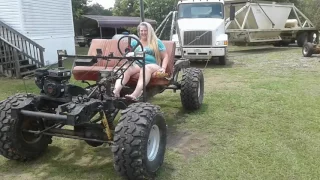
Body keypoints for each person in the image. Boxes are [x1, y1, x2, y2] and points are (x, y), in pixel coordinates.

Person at [112, 22, 169, 100]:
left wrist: (163, 68)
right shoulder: (135, 42)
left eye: (145, 30)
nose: (143, 32)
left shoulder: (156, 41)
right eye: (141, 31)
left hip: (152, 65)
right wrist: (129, 55)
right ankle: (116, 91)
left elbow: (165, 56)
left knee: (145, 69)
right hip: (138, 63)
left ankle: (135, 94)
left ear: (150, 31)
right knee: (126, 68)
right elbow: (129, 53)